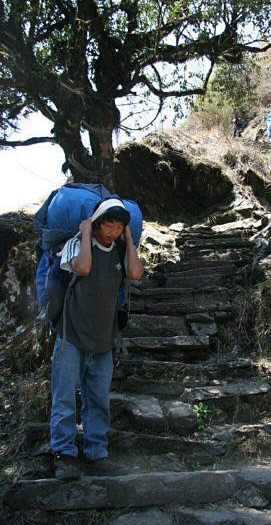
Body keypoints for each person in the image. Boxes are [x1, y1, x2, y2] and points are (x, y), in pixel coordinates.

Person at [50, 198, 144, 481]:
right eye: (109, 225)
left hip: (103, 340)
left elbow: (136, 274)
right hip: (71, 336)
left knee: (99, 399)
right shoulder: (76, 245)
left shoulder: (120, 250)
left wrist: (129, 240)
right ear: (96, 222)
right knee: (65, 397)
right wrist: (87, 233)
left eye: (119, 227)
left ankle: (97, 454)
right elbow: (83, 269)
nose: (113, 232)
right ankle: (64, 455)